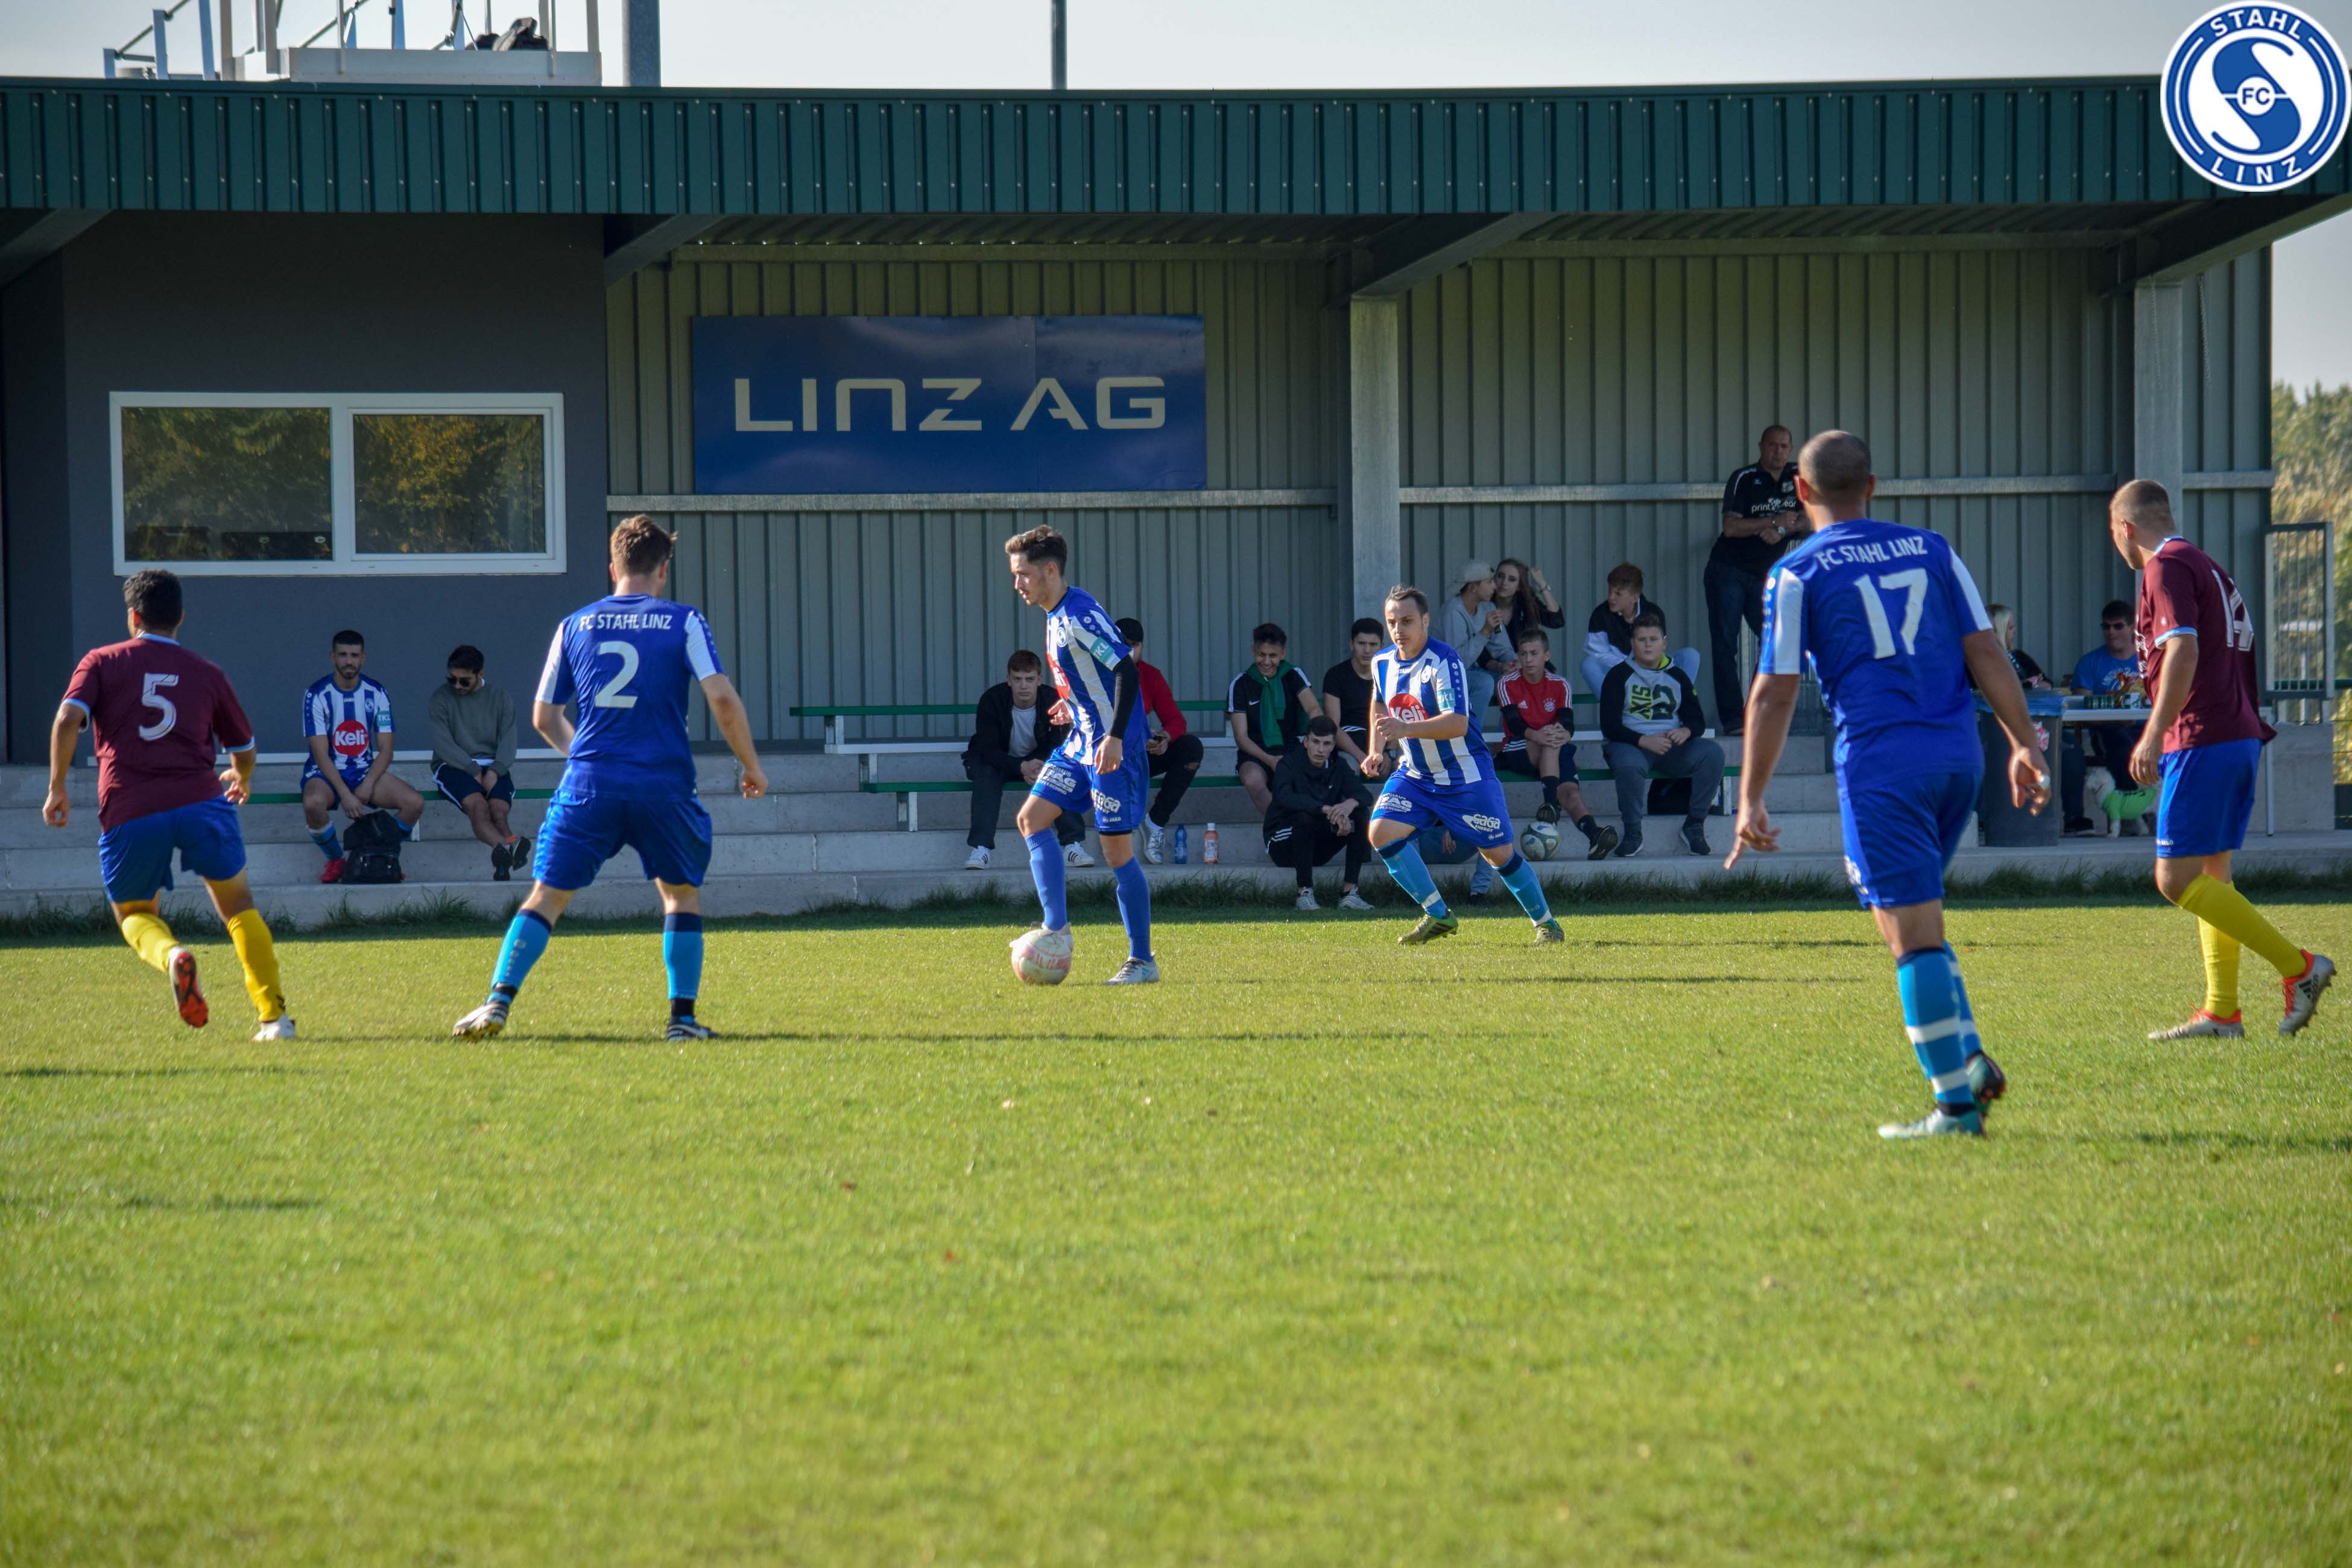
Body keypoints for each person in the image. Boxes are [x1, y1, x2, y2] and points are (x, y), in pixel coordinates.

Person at [1727, 429, 2047, 1140]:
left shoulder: (1797, 570)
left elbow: (1774, 690)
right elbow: (1986, 649)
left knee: (1913, 937)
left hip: (1883, 765)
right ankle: (1971, 1060)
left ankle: (1956, 1108)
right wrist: (2025, 742)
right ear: (1872, 485)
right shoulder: (1932, 549)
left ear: (1800, 491)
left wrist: (1750, 795)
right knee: (1908, 918)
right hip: (1958, 758)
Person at [450, 516, 770, 1042]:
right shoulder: (683, 621)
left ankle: (497, 1002)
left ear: (612, 568)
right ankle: (681, 1021)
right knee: (680, 894)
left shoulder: (574, 625)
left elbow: (544, 717)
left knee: (546, 897)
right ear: (663, 570)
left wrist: (590, 757)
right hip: (662, 786)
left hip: (590, 785)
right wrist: (751, 766)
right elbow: (722, 698)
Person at [2106, 479, 2333, 1040]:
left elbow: (2183, 650)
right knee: (2213, 875)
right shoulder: (2207, 565)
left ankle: (2300, 967)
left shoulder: (2164, 566)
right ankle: (2222, 1011)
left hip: (2203, 736)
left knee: (2173, 879)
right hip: (2234, 733)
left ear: (2126, 527)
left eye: (2113, 531)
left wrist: (2154, 733)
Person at [41, 570, 294, 1041]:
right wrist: (242, 776)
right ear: (181, 617)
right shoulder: (207, 672)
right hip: (202, 801)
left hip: (132, 806)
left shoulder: (101, 661)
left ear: (133, 617)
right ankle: (274, 1019)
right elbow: (244, 747)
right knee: (239, 907)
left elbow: (67, 718)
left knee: (135, 914)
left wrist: (57, 787)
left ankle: (173, 956)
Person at [1361, 585, 1563, 946]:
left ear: (1425, 620)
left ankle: (1547, 924)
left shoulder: (1445, 660)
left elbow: (1456, 723)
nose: (1398, 630)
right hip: (1416, 775)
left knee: (1498, 854)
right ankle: (1438, 914)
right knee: (1380, 833)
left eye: (1407, 621)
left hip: (1464, 775)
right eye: (1392, 622)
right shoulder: (1382, 662)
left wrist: (1405, 728)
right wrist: (1375, 750)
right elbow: (1378, 705)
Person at [1004, 526, 1158, 985]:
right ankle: (1056, 930)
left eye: (1023, 574)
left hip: (1113, 748)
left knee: (1116, 853)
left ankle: (1142, 961)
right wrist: (1070, 703)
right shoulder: (1055, 613)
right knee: (1031, 819)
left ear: (1050, 570)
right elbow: (1092, 676)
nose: (1018, 584)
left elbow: (1126, 671)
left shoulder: (1078, 615)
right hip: (1081, 741)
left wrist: (1114, 737)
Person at [300, 628, 423, 883]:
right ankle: (337, 861)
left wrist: (367, 784)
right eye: (343, 655)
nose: (349, 661)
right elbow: (320, 753)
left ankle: (382, 855)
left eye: (354, 655)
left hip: (364, 770)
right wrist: (345, 794)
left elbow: (387, 749)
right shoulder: (316, 694)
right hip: (325, 772)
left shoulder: (377, 692)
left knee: (414, 803)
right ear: (333, 657)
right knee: (313, 803)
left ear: (363, 658)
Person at [1599, 615, 1725, 858]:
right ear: (1632, 643)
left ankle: (1695, 825)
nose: (1648, 645)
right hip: (1631, 744)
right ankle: (1633, 833)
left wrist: (1686, 731)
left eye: (1653, 639)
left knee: (1713, 754)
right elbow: (1609, 726)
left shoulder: (1678, 676)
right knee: (1628, 765)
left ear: (1664, 643)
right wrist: (1643, 740)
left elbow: (1697, 720)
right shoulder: (1618, 675)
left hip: (1670, 747)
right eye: (1641, 639)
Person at [1707, 425, 1805, 733]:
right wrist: (1773, 521)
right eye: (1773, 445)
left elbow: (1814, 520)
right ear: (1761, 446)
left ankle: (1755, 713)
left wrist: (1782, 530)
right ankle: (1733, 720)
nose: (1779, 451)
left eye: (1785, 446)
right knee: (1725, 645)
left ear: (1791, 449)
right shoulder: (1744, 478)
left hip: (1766, 575)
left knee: (1774, 641)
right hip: (1728, 570)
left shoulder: (1800, 476)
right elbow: (1730, 528)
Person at [1496, 629, 1617, 859]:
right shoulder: (1507, 683)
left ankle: (1594, 834)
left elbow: (1568, 723)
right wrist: (1540, 735)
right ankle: (1550, 805)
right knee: (1550, 743)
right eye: (1523, 654)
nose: (1528, 660)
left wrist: (1564, 735)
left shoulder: (1561, 684)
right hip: (1520, 746)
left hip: (1553, 746)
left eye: (1534, 653)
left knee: (1570, 792)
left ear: (1547, 655)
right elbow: (1514, 724)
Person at [960, 650, 1085, 870]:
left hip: (1036, 761)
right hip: (998, 761)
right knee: (986, 776)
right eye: (1017, 679)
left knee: (1062, 772)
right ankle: (981, 850)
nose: (1023, 686)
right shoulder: (992, 700)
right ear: (1009, 680)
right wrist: (1020, 766)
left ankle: (1072, 846)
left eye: (1029, 679)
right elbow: (988, 749)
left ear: (1039, 679)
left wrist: (1037, 764)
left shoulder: (1053, 701)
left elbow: (1060, 744)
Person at [1982, 604, 2091, 834]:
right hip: (1993, 726)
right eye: (2010, 628)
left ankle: (2074, 817)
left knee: (2070, 747)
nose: (2014, 632)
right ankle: (1988, 817)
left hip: (2037, 722)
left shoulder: (2019, 658)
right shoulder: (1978, 661)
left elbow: (2046, 684)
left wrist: (2032, 685)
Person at [429, 645, 530, 881]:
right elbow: (443, 743)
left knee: (499, 811)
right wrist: (472, 768)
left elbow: (509, 739)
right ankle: (509, 845)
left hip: (493, 764)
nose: (457, 686)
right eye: (452, 679)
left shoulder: (500, 697)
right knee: (479, 807)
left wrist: (496, 770)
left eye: (464, 681)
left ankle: (505, 856)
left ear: (480, 674)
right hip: (453, 765)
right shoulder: (440, 698)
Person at [1265, 717, 1377, 911]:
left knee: (1360, 814)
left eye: (1326, 744)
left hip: (1318, 845)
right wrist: (1325, 809)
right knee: (1305, 818)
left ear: (1333, 746)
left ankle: (1349, 893)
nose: (1320, 750)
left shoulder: (1339, 765)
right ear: (1306, 741)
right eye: (1316, 742)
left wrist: (1348, 805)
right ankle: (1304, 894)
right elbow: (1285, 798)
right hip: (1282, 842)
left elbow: (1365, 796)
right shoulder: (1288, 764)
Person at [1118, 618, 1206, 865]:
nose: (1129, 651)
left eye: (1134, 645)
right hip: (1108, 756)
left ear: (1142, 647)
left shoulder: (1150, 675)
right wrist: (1137, 736)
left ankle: (1155, 822)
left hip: (1140, 755)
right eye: (1123, 645)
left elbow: (1176, 720)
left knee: (1191, 747)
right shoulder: (1097, 673)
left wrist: (1164, 738)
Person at [1227, 622, 1318, 818]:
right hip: (1255, 753)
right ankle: (1279, 826)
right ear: (1253, 652)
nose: (1267, 662)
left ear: (1283, 654)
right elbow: (1241, 738)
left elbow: (1314, 710)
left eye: (1273, 656)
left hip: (1292, 749)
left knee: (1308, 777)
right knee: (1253, 779)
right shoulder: (1241, 684)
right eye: (1261, 655)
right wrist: (1270, 760)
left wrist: (1311, 744)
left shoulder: (1293, 675)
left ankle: (1301, 827)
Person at [2069, 597, 2148, 803]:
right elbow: (2080, 712)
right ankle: (2131, 808)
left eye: (2118, 626)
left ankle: (2160, 810)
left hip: (2148, 729)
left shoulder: (2150, 661)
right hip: (2107, 730)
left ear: (2133, 628)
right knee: (2122, 745)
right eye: (2106, 626)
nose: (2111, 632)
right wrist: (2115, 720)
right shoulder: (2090, 662)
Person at [1581, 562, 1701, 698]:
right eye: (1610, 591)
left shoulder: (1654, 613)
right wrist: (1629, 667)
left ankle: (1676, 705)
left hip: (1652, 670)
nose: (1611, 598)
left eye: (1618, 594)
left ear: (1635, 597)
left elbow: (1659, 650)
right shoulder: (1600, 615)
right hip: (1618, 672)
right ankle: (1618, 707)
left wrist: (1645, 669)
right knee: (1588, 664)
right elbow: (1599, 654)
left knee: (1690, 656)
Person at [1437, 560, 1513, 733]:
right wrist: (1485, 631)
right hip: (1445, 675)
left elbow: (1502, 647)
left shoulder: (1488, 607)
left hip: (1471, 671)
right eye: (1490, 581)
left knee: (1515, 679)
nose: (1495, 586)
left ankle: (1510, 739)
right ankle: (1470, 737)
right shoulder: (1453, 611)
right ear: (1474, 587)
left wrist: (1514, 663)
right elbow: (1458, 663)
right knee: (1484, 682)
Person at [1321, 617, 1385, 769]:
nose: (1367, 650)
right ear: (1352, 644)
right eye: (1361, 643)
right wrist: (1362, 758)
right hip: (1349, 747)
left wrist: (1390, 754)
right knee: (1347, 767)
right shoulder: (1335, 676)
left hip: (1383, 744)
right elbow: (1333, 727)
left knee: (1405, 764)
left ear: (1382, 647)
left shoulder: (1389, 676)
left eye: (1373, 645)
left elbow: (1398, 718)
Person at [1491, 558, 1566, 658]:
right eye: (1500, 576)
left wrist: (1542, 584)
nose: (1504, 583)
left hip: (1527, 661)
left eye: (1512, 579)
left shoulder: (1525, 603)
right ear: (1494, 578)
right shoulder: (1485, 604)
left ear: (1519, 586)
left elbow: (1556, 621)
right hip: (1495, 664)